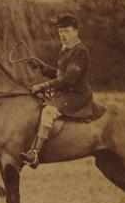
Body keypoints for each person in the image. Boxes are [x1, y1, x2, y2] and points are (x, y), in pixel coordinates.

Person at [21, 12, 93, 168]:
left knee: (48, 111)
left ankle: (34, 153)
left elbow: (69, 79)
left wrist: (43, 85)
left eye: (66, 31)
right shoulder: (65, 49)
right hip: (66, 93)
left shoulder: (80, 51)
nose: (63, 35)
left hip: (77, 96)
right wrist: (42, 67)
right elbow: (60, 74)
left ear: (75, 31)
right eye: (60, 32)